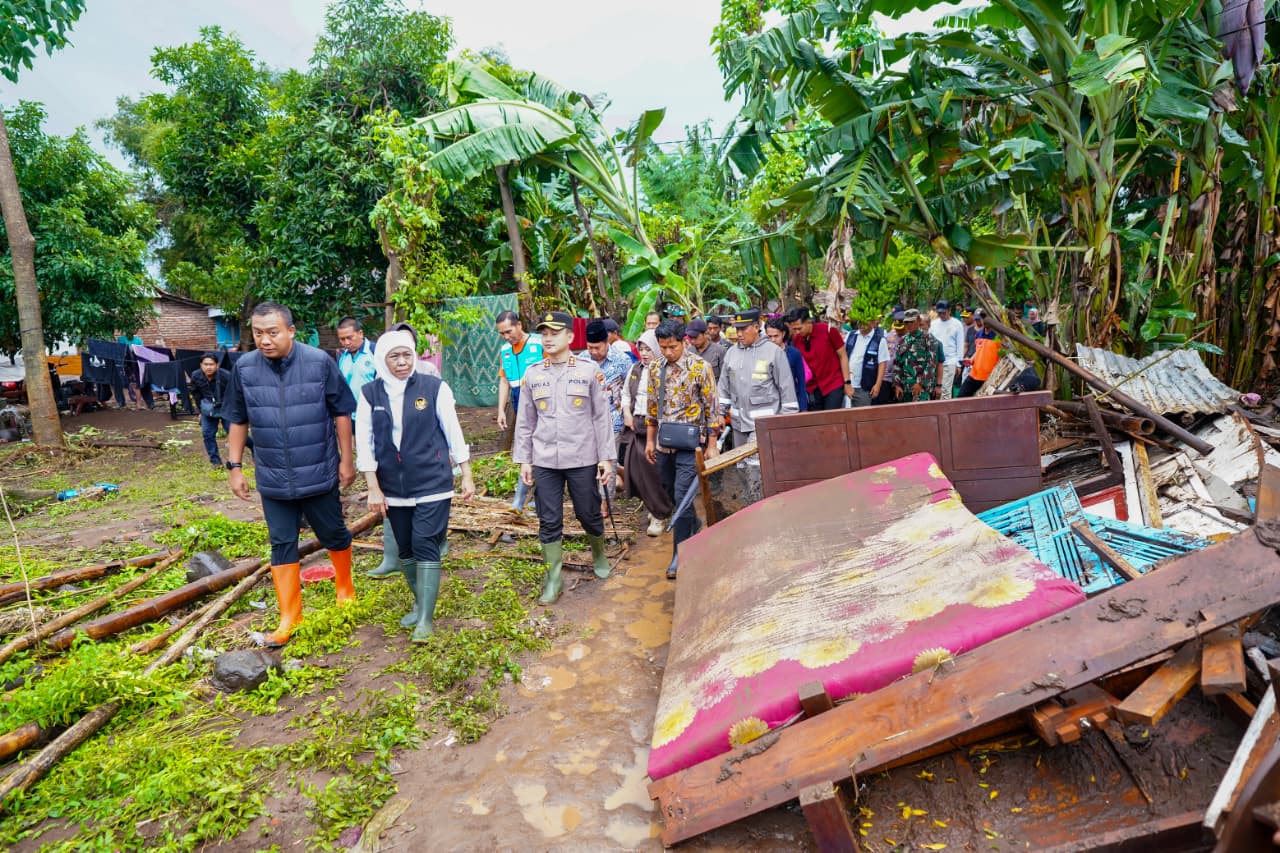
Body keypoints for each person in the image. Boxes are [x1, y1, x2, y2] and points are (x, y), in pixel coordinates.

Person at [223, 302, 358, 647]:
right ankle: (289, 617)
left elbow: (341, 412)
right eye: (257, 333)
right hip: (273, 476)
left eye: (272, 332)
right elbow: (237, 418)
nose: (264, 340)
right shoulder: (245, 368)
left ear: (291, 331)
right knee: (282, 543)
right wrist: (234, 466)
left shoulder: (319, 362)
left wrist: (347, 460)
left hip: (318, 468)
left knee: (333, 531)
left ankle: (344, 588)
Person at [357, 329, 475, 642]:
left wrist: (466, 472)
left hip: (433, 481)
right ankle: (420, 601)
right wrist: (373, 487)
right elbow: (365, 444)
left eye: (406, 355)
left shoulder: (434, 387)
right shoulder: (370, 394)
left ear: (415, 356)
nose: (401, 362)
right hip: (392, 487)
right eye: (394, 356)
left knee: (425, 543)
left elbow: (453, 430)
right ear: (382, 360)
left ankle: (425, 618)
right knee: (406, 548)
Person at [513, 311, 616, 604]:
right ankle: (553, 578)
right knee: (549, 520)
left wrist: (606, 458)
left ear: (570, 337)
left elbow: (601, 418)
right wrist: (524, 459)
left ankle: (598, 552)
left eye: (554, 333)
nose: (547, 338)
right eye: (544, 333)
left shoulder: (588, 371)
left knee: (588, 512)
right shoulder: (533, 373)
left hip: (582, 456)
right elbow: (525, 421)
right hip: (545, 459)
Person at [646, 320, 720, 579]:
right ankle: (693, 524)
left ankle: (679, 553)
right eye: (663, 347)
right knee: (668, 490)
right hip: (665, 443)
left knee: (683, 496)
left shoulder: (700, 368)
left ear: (684, 342)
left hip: (692, 442)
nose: (668, 352)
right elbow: (652, 407)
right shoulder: (655, 368)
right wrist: (650, 440)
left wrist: (711, 444)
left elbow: (712, 407)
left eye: (673, 347)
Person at [717, 309, 798, 490]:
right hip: (738, 426)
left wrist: (786, 425)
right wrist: (720, 414)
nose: (738, 334)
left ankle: (759, 509)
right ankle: (751, 504)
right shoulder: (731, 353)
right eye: (736, 329)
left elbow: (787, 393)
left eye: (743, 329)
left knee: (757, 471)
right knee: (741, 468)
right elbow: (723, 388)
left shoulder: (773, 353)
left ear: (756, 327)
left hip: (763, 426)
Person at [620, 329, 674, 536]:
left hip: (657, 428)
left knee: (655, 473)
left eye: (648, 349)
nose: (644, 353)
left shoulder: (665, 371)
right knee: (634, 470)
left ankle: (660, 514)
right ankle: (654, 507)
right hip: (637, 426)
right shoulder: (635, 369)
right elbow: (626, 394)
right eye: (641, 349)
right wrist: (627, 413)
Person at [494, 310, 543, 519]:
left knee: (539, 446)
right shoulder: (505, 351)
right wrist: (500, 411)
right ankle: (524, 499)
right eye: (502, 334)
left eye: (509, 331)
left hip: (540, 398)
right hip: (517, 399)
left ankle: (524, 499)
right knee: (525, 445)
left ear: (519, 325)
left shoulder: (540, 343)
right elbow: (504, 381)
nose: (506, 337)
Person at [786, 306, 852, 410]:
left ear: (808, 322)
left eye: (799, 328)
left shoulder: (828, 330)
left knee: (832, 419)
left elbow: (843, 356)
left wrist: (847, 383)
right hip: (813, 388)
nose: (797, 332)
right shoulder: (797, 340)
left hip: (833, 383)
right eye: (794, 329)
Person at [189, 354, 233, 466]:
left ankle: (239, 457)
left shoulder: (226, 376)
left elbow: (234, 394)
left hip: (226, 407)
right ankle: (216, 462)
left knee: (235, 433)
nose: (208, 367)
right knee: (207, 434)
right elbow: (196, 394)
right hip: (208, 409)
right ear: (201, 365)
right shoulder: (196, 376)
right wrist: (200, 411)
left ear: (217, 365)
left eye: (211, 364)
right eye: (206, 364)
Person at [894, 309, 940, 403]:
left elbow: (931, 364)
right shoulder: (902, 340)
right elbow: (897, 364)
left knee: (921, 416)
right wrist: (897, 384)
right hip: (905, 389)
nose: (909, 325)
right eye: (906, 322)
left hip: (921, 389)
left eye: (912, 322)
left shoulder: (929, 338)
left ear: (918, 320)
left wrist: (920, 383)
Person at [764, 318, 809, 412]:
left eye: (776, 336)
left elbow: (801, 382)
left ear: (783, 334)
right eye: (769, 336)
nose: (772, 340)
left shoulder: (794, 353)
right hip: (769, 404)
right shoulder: (761, 354)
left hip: (791, 402)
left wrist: (803, 408)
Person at [844, 314, 889, 408]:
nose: (861, 324)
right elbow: (843, 356)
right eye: (859, 321)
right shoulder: (851, 335)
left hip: (864, 387)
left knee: (862, 416)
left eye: (865, 321)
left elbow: (882, 363)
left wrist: (877, 385)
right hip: (848, 384)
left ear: (872, 322)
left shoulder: (879, 340)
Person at [929, 300, 966, 400]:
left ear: (949, 311)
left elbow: (960, 344)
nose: (941, 315)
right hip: (935, 362)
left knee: (945, 391)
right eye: (939, 313)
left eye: (943, 313)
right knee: (934, 390)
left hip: (950, 361)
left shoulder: (956, 324)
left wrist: (958, 364)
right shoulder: (933, 324)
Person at [336, 317, 377, 404]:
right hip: (349, 413)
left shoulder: (375, 352)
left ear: (360, 333)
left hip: (371, 412)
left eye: (349, 337)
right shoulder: (342, 357)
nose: (346, 342)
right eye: (342, 339)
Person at [959, 312, 1000, 397]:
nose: (982, 320)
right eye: (980, 318)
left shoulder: (999, 336)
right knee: (961, 397)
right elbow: (979, 351)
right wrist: (971, 359)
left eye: (983, 318)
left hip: (989, 377)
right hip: (974, 374)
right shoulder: (978, 334)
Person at [685, 318, 726, 383]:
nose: (692, 341)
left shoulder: (720, 351)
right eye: (690, 337)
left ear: (705, 334)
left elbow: (724, 378)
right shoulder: (689, 351)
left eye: (695, 337)